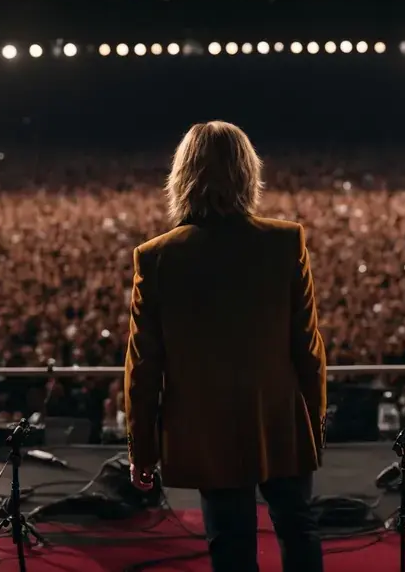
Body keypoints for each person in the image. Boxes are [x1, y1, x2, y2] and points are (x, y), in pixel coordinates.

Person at [124, 121, 327, 572]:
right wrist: (312, 422)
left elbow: (144, 366)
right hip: (280, 418)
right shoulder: (284, 241)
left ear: (182, 176)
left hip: (205, 426)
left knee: (229, 543)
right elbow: (307, 348)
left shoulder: (156, 257)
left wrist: (142, 448)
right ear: (247, 173)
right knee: (298, 527)